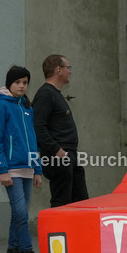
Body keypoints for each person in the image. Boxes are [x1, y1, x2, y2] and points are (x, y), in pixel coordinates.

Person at [0, 66, 44, 253]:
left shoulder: (27, 107)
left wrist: (37, 169)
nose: (22, 86)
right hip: (12, 170)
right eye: (18, 82)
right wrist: (1, 169)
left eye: (25, 82)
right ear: (9, 84)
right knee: (21, 215)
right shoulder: (1, 106)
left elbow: (33, 140)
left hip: (27, 170)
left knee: (18, 216)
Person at [32, 54, 88, 208]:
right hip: (58, 157)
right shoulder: (46, 94)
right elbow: (38, 126)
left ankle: (77, 232)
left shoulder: (56, 94)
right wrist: (56, 150)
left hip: (69, 156)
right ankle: (58, 231)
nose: (70, 71)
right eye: (67, 67)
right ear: (58, 70)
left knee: (80, 201)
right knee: (62, 202)